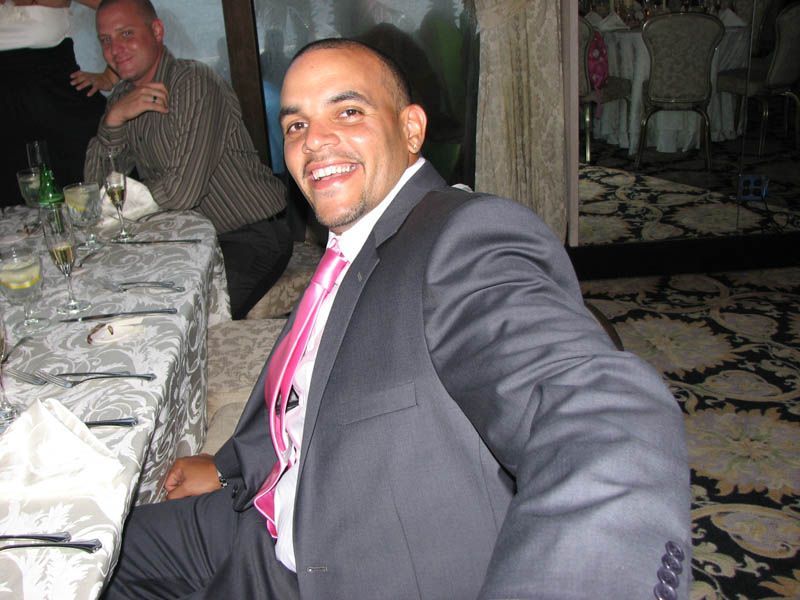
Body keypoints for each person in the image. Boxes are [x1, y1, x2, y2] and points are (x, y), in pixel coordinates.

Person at [104, 39, 691, 599]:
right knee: (97, 556)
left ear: (411, 129)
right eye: (296, 125)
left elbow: (594, 410)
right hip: (263, 509)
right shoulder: (358, 238)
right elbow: (306, 383)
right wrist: (231, 464)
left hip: (326, 568)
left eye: (349, 111)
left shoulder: (464, 239)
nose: (315, 142)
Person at [84, 0, 292, 320]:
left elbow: (183, 192)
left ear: (156, 31)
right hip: (182, 239)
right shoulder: (122, 97)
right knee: (117, 300)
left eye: (126, 33)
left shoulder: (194, 82)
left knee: (175, 320)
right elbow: (97, 192)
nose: (115, 48)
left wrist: (131, 196)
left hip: (247, 235)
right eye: (105, 40)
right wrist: (112, 120)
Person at [0, 0, 109, 210]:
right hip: (6, 125)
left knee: (86, 202)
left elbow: (126, 8)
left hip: (59, 110)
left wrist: (110, 76)